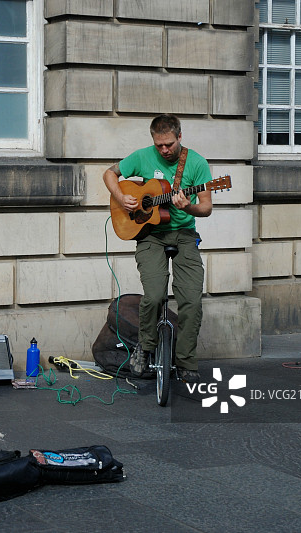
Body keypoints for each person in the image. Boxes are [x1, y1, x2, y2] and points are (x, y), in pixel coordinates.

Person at [103, 114, 213, 383]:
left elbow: (206, 207)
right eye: (159, 145)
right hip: (151, 236)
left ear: (180, 136)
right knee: (153, 296)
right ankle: (145, 345)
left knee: (191, 301)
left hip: (184, 235)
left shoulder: (197, 163)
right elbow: (109, 173)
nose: (164, 150)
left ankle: (185, 361)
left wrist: (189, 206)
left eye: (169, 144)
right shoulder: (142, 156)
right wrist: (122, 197)